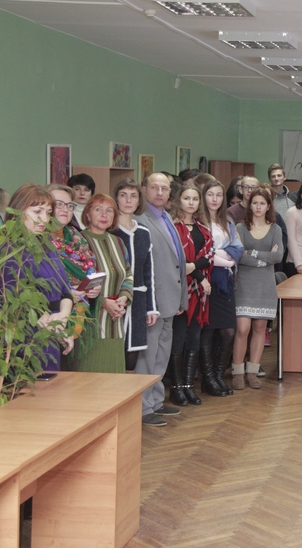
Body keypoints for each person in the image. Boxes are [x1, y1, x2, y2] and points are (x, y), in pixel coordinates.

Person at [0, 184, 74, 372]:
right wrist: (55, 327)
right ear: (18, 211)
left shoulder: (47, 246)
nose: (44, 219)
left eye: (48, 213)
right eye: (37, 211)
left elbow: (65, 289)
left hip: (52, 331)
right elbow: (19, 297)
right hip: (25, 332)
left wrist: (63, 318)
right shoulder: (6, 247)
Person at [134, 172, 188, 427]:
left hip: (170, 299)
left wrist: (181, 298)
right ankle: (142, 406)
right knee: (148, 356)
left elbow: (177, 262)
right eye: (154, 187)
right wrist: (150, 304)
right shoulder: (140, 220)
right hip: (153, 302)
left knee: (161, 354)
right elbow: (144, 267)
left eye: (164, 189)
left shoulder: (166, 216)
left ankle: (155, 400)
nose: (159, 192)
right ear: (144, 189)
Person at [46, 184, 101, 371]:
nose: (65, 209)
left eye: (69, 205)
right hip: (51, 317)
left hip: (80, 315)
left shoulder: (76, 235)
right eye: (59, 204)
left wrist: (94, 287)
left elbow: (90, 267)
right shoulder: (39, 239)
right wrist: (67, 294)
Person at [79, 194, 133, 374]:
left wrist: (124, 299)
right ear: (88, 214)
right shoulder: (79, 241)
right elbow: (76, 281)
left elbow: (128, 273)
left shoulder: (118, 242)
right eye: (98, 210)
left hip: (115, 323)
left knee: (114, 380)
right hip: (88, 325)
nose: (104, 215)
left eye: (109, 211)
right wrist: (103, 302)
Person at [169, 183, 213, 405]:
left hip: (198, 294)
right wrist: (200, 276)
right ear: (179, 200)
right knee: (178, 338)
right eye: (187, 198)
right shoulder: (173, 227)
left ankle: (188, 385)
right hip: (179, 290)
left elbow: (209, 256)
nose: (191, 202)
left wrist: (193, 269)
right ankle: (176, 387)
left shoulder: (203, 229)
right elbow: (176, 260)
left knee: (194, 338)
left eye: (195, 199)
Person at [234, 189, 282, 389]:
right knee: (242, 328)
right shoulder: (241, 227)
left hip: (265, 285)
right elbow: (238, 255)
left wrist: (251, 253)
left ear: (268, 206)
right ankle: (237, 371)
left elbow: (277, 257)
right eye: (255, 203)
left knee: (260, 328)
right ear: (250, 205)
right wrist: (263, 258)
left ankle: (252, 371)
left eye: (262, 203)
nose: (258, 207)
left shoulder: (275, 229)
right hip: (244, 284)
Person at [200, 178, 244, 396]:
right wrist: (222, 258)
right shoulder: (198, 221)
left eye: (218, 195)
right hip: (206, 281)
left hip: (225, 282)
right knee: (208, 331)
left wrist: (222, 256)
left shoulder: (227, 221)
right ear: (203, 197)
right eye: (210, 194)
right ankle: (208, 379)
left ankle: (218, 375)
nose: (215, 199)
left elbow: (238, 248)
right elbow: (202, 253)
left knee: (228, 331)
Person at [111, 179, 156, 371]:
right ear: (116, 199)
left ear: (139, 201)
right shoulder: (110, 230)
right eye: (123, 195)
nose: (128, 200)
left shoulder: (143, 232)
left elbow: (148, 272)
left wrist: (151, 308)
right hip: (114, 302)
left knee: (131, 359)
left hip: (138, 302)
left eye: (133, 196)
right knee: (113, 355)